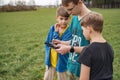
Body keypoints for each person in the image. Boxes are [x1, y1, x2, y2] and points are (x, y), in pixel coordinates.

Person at [52, 0, 91, 80]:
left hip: (82, 69)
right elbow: (75, 41)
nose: (69, 13)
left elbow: (94, 49)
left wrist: (69, 49)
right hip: (70, 66)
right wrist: (62, 43)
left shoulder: (92, 19)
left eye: (70, 9)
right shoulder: (74, 19)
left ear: (80, 2)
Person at [78, 12, 114, 80]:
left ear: (89, 29)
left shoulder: (87, 51)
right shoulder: (109, 47)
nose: (83, 33)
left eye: (83, 30)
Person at [44, 6, 72, 80]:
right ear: (57, 18)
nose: (63, 21)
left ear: (69, 18)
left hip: (62, 62)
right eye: (61, 19)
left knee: (62, 78)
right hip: (51, 60)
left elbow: (58, 45)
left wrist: (56, 33)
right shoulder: (52, 28)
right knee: (47, 78)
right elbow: (47, 42)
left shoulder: (69, 31)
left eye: (66, 19)